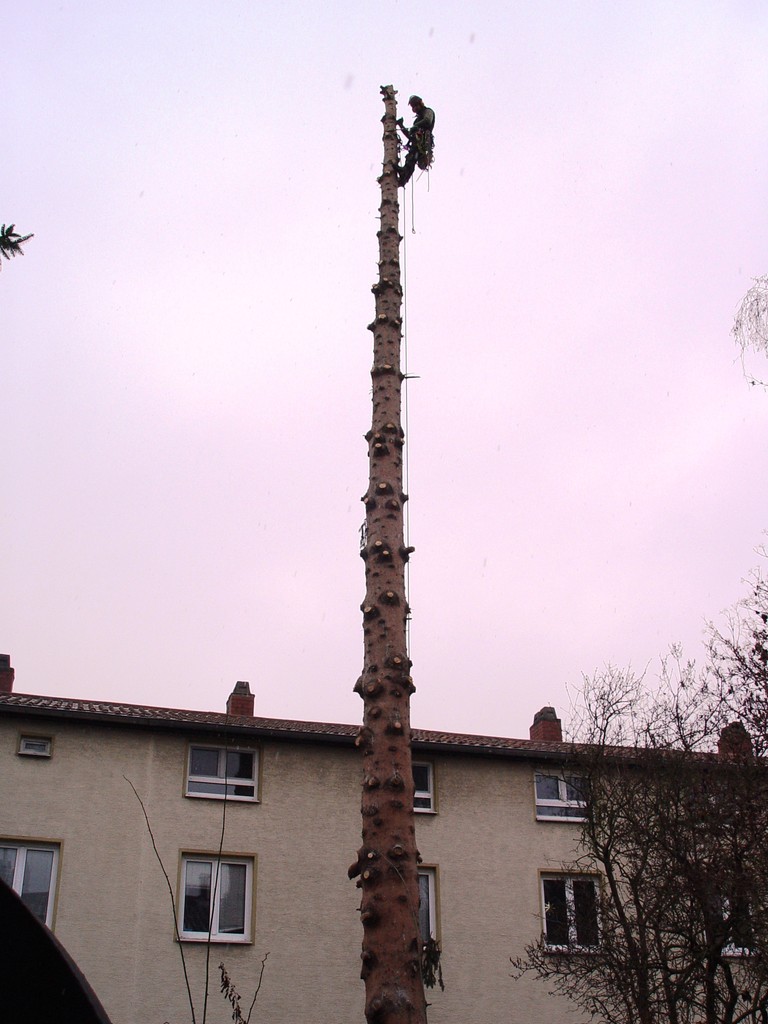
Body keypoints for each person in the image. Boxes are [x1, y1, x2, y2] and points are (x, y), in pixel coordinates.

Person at [396, 95, 435, 187]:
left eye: (415, 106)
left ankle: (404, 176)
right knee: (410, 158)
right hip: (415, 142)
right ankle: (403, 174)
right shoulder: (417, 120)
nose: (415, 108)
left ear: (420, 104)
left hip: (423, 142)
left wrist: (416, 126)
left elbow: (427, 120)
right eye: (413, 107)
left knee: (414, 157)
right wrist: (401, 126)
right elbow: (410, 135)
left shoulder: (428, 111)